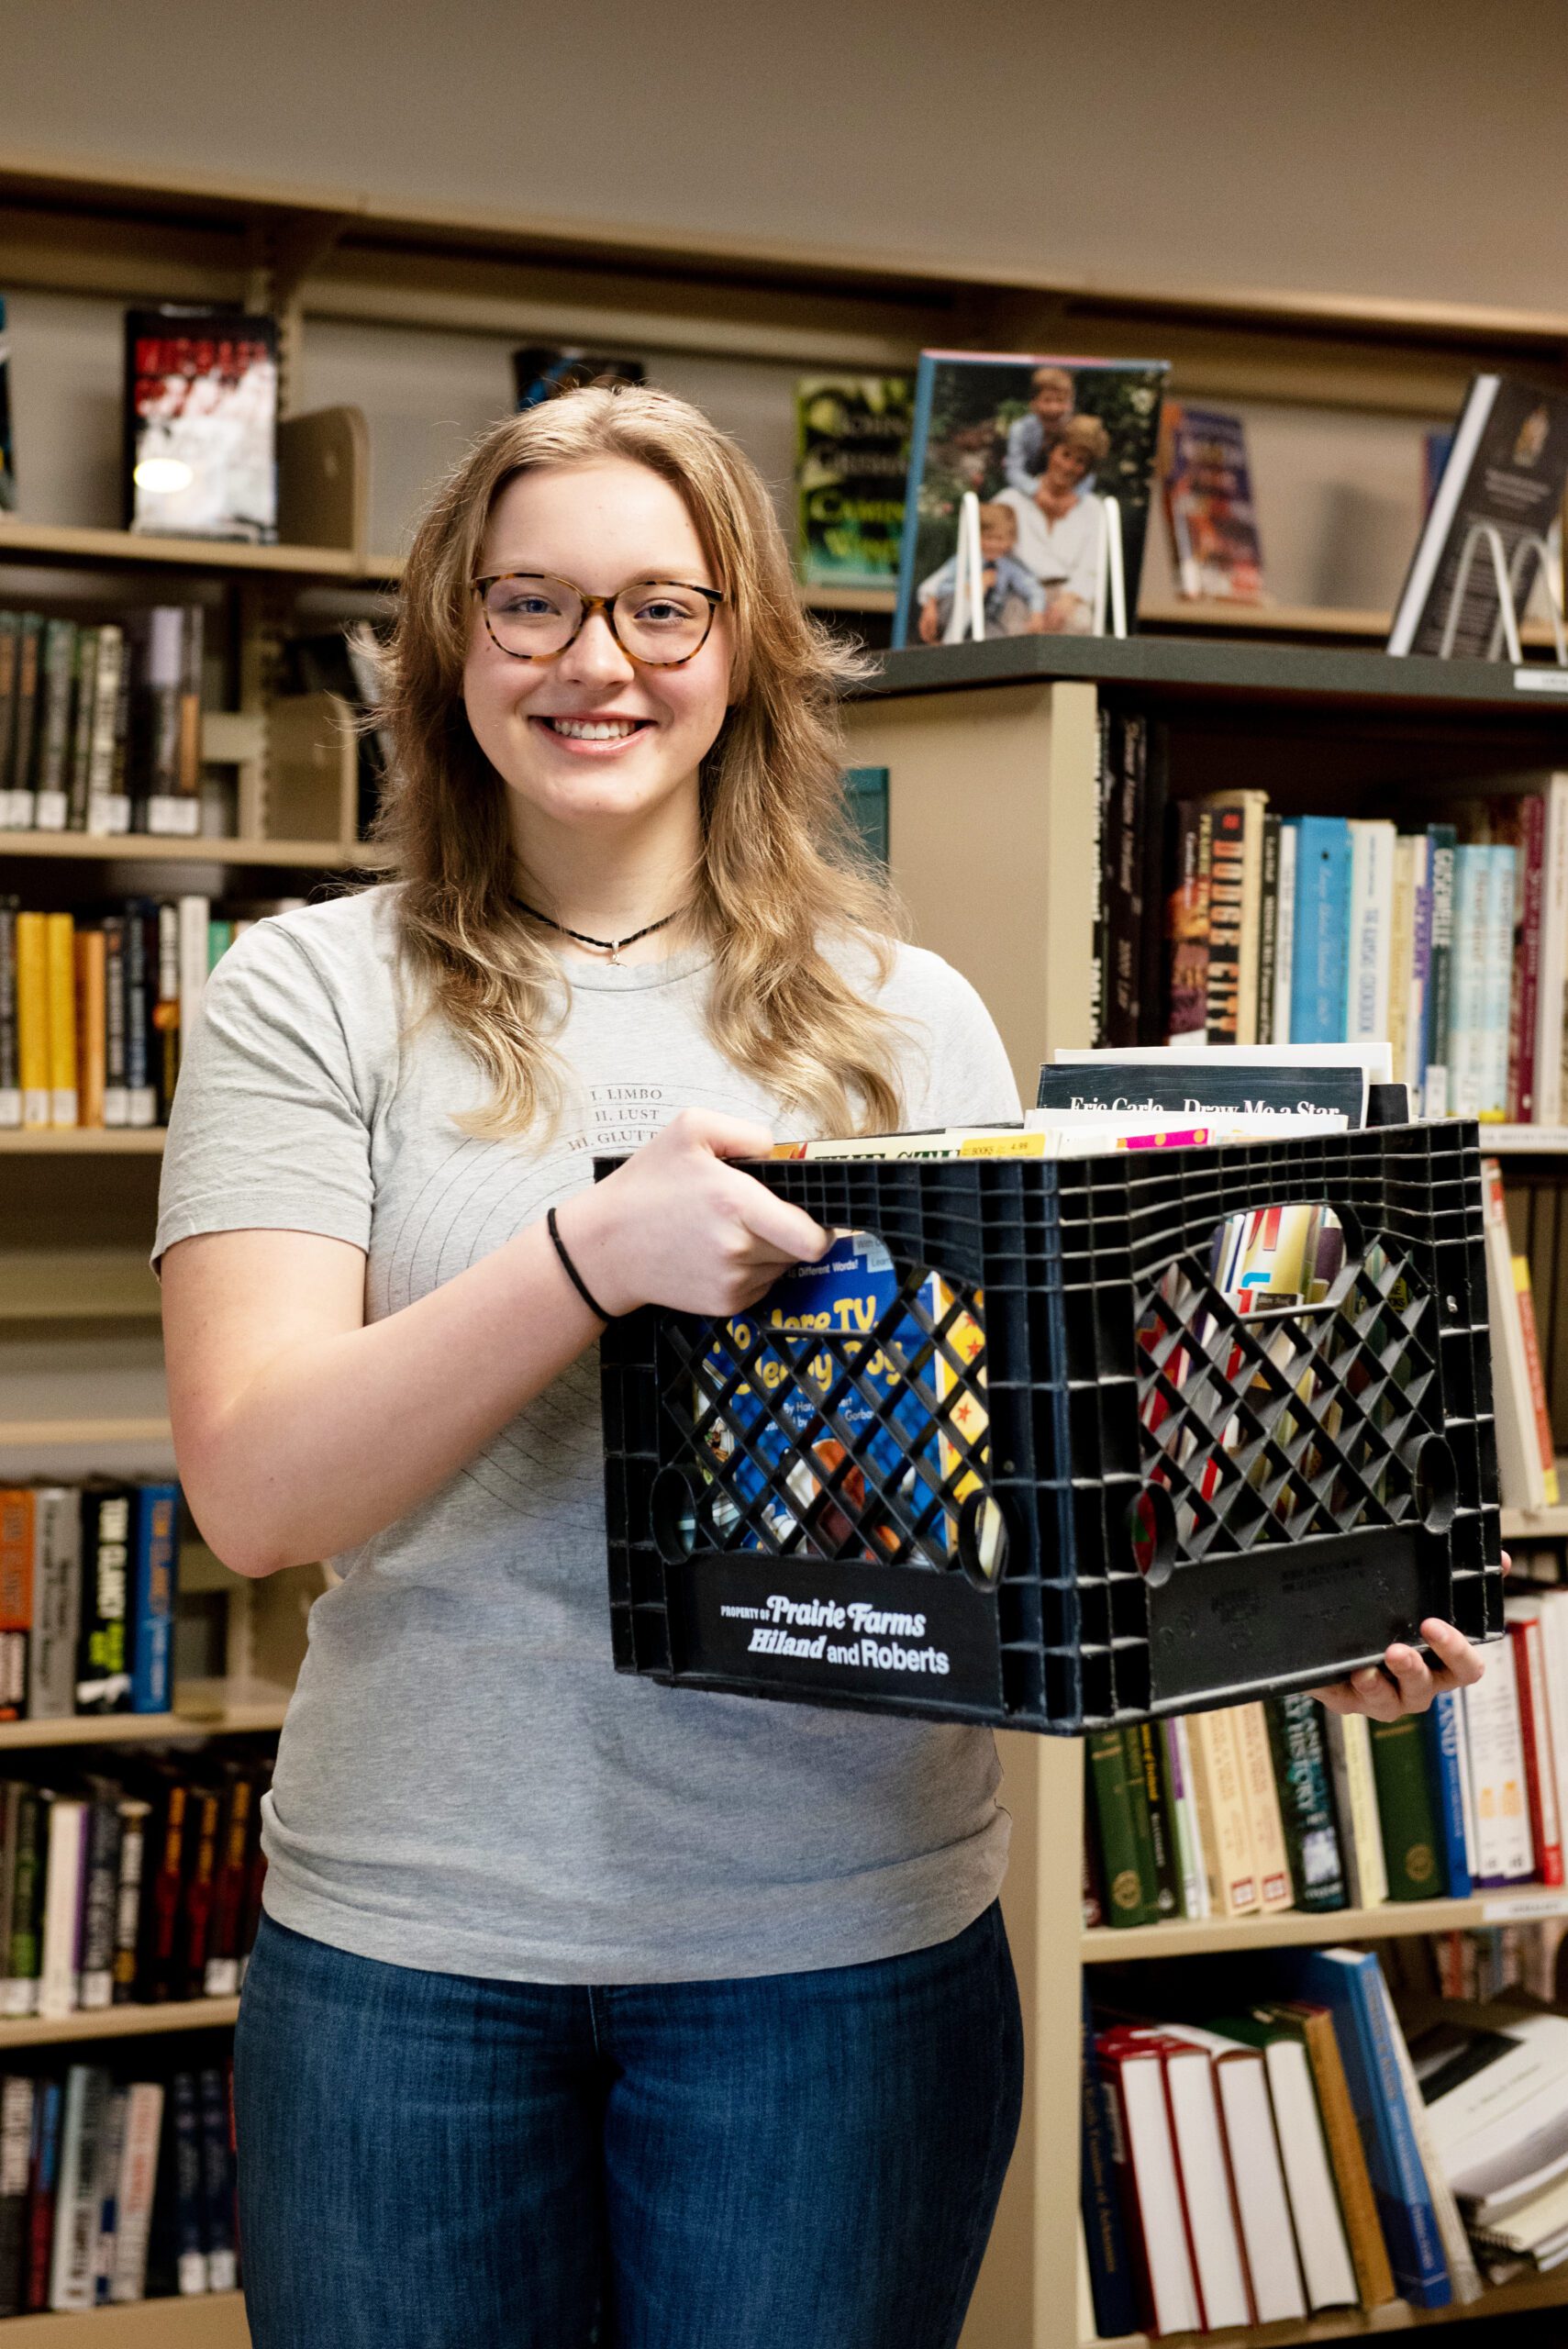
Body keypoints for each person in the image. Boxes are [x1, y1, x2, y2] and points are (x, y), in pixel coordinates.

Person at [155, 384, 1486, 2349]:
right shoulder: (306, 990)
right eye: (527, 606)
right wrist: (586, 1255)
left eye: (657, 609)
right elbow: (260, 1491)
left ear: (743, 654)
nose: (590, 661)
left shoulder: (902, 1017)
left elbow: (1012, 1489)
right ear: (447, 648)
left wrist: (1283, 1611)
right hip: (412, 1948)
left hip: (836, 1953)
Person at [996, 413, 1113, 633]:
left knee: (1078, 625)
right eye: (1065, 455)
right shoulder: (1010, 500)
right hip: (1017, 593)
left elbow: (1091, 568)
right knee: (1013, 632)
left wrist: (1068, 601)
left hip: (1067, 597)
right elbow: (993, 559)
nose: (1069, 466)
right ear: (1051, 451)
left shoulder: (1092, 509)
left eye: (1080, 462)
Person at [915, 498, 1048, 640]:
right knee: (976, 586)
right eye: (988, 537)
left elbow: (1033, 589)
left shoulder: (1009, 566)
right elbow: (931, 585)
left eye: (999, 538)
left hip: (983, 619)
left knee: (998, 640)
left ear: (1011, 540)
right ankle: (951, 642)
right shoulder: (966, 559)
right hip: (952, 608)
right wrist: (930, 608)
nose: (993, 544)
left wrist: (1037, 613)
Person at [1003, 364, 1076, 495]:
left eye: (1060, 400)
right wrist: (1037, 491)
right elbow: (1014, 471)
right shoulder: (1020, 429)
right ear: (1034, 403)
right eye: (1047, 400)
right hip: (1028, 490)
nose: (1054, 408)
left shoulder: (1075, 430)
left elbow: (1087, 471)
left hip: (1066, 494)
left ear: (1069, 403)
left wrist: (1072, 495)